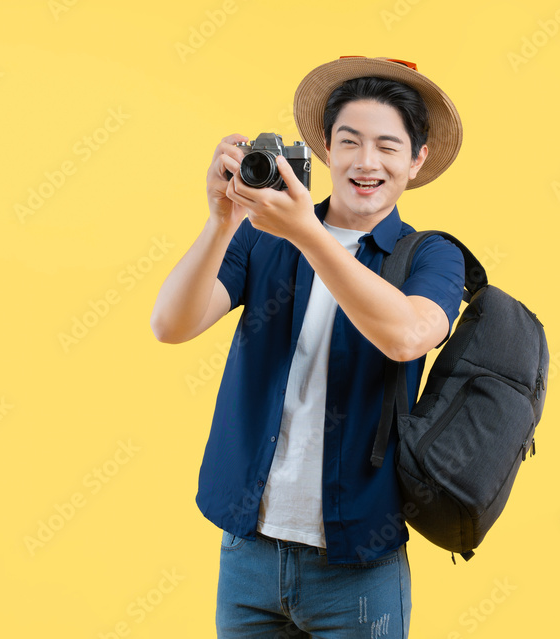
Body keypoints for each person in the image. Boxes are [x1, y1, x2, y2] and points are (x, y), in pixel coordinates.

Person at [150, 56, 466, 638]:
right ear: (323, 149)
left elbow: (406, 337)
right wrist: (222, 221)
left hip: (359, 565)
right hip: (248, 552)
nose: (366, 163)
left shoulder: (430, 256)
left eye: (388, 147)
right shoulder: (263, 237)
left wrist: (307, 234)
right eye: (349, 141)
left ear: (417, 160)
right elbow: (170, 324)